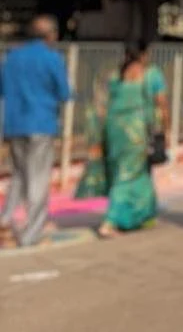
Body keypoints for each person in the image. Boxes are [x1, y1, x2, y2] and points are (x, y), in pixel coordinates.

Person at [0, 15, 72, 250]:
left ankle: (5, 219)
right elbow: (64, 92)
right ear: (50, 35)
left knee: (19, 175)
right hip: (41, 123)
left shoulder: (11, 57)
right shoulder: (52, 58)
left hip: (14, 124)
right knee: (38, 179)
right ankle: (31, 233)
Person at [79, 45, 164, 236]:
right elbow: (161, 101)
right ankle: (111, 220)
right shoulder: (151, 74)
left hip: (114, 130)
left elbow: (102, 105)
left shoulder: (114, 76)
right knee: (127, 176)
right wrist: (165, 127)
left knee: (137, 174)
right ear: (144, 55)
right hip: (136, 131)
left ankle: (142, 216)